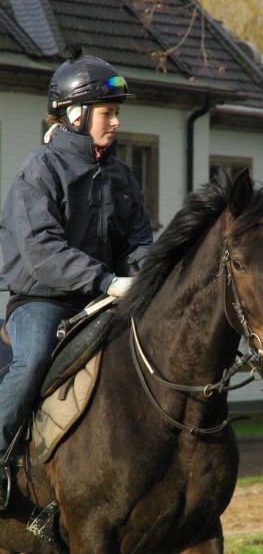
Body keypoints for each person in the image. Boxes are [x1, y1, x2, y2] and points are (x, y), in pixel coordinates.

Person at [0, 44, 153, 508]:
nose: (116, 122)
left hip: (103, 298)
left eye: (116, 113)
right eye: (108, 112)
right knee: (30, 366)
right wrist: (106, 281)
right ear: (75, 113)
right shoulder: (39, 172)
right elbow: (44, 252)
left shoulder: (121, 177)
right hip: (41, 300)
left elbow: (139, 243)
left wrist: (150, 274)